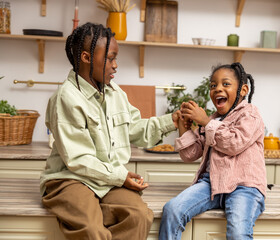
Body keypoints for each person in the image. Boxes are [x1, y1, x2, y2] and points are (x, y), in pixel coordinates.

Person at [40, 22, 181, 240]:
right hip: (70, 179)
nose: (116, 65)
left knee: (140, 215)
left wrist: (173, 120)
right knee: (93, 230)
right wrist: (121, 176)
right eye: (110, 58)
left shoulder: (115, 93)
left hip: (108, 181)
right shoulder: (66, 97)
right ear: (86, 58)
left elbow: (135, 130)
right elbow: (79, 159)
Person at [159, 62, 267, 240]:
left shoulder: (251, 115)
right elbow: (190, 154)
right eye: (213, 85)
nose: (218, 89)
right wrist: (183, 127)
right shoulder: (212, 120)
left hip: (245, 187)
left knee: (238, 232)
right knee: (172, 209)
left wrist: (206, 123)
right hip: (212, 184)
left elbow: (234, 143)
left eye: (225, 84)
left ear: (243, 90)